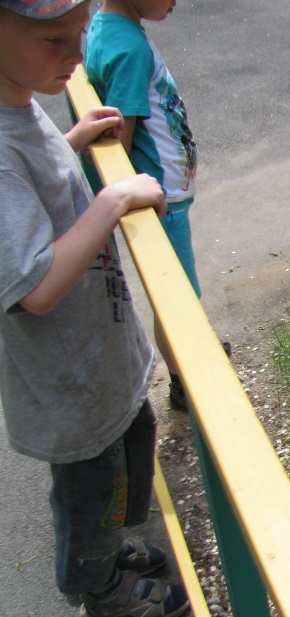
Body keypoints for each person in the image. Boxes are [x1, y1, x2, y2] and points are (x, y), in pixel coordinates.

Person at [0, 0, 189, 617]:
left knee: (127, 453)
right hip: (67, 383)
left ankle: (107, 553)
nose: (76, 56)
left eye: (78, 34)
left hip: (97, 359)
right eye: (55, 39)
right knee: (92, 493)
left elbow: (34, 176)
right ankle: (101, 594)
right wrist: (111, 199)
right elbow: (37, 288)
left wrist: (68, 140)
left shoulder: (19, 103)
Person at [84, 0, 220, 413]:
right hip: (163, 202)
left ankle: (185, 365)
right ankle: (185, 380)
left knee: (176, 290)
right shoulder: (129, 50)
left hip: (166, 194)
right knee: (180, 295)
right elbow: (121, 137)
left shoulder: (106, 29)